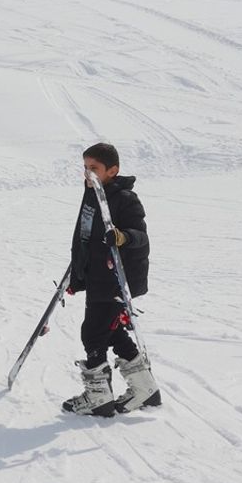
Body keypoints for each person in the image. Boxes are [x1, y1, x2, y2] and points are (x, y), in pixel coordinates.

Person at [62, 142, 160, 417]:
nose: (87, 174)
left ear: (112, 171)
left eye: (94, 168)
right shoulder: (92, 194)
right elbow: (84, 237)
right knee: (112, 332)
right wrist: (77, 272)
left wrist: (122, 237)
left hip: (117, 279)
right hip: (96, 275)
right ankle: (145, 388)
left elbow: (141, 237)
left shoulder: (125, 198)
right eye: (85, 168)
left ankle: (98, 397)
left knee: (92, 332)